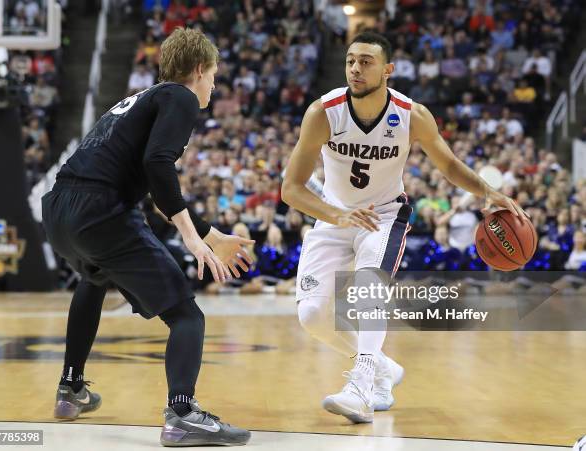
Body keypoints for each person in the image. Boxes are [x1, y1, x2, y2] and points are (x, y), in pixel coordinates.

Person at [281, 31, 528, 424]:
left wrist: (487, 192)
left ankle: (361, 386)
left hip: (384, 216)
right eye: (350, 61)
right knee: (311, 316)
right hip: (335, 217)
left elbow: (447, 165)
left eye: (366, 61)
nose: (355, 69)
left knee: (366, 286)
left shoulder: (411, 115)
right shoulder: (322, 112)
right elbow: (291, 189)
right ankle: (383, 368)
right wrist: (337, 215)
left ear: (388, 69)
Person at [42, 28, 252, 447]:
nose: (213, 84)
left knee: (95, 279)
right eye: (213, 75)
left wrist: (209, 232)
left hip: (59, 208)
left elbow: (150, 190)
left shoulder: (136, 101)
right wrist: (196, 240)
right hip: (99, 210)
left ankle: (71, 388)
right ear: (197, 71)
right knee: (187, 316)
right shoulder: (181, 96)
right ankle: (182, 413)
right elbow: (159, 165)